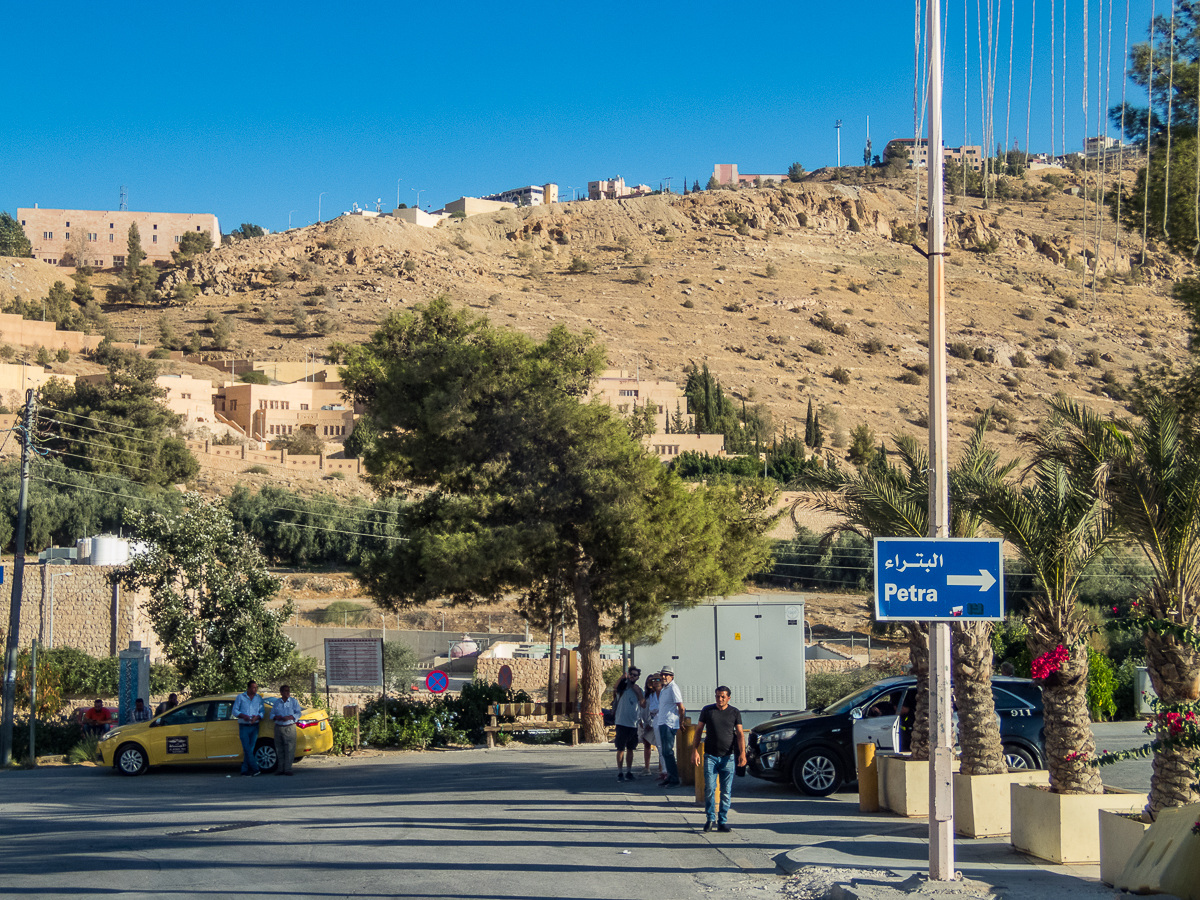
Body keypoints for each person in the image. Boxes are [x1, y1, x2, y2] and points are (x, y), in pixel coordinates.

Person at [691, 685, 746, 833]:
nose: (719, 699)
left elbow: (740, 734)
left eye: (723, 697)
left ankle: (722, 821)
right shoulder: (707, 711)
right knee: (709, 788)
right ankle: (710, 819)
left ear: (728, 697)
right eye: (717, 696)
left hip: (728, 757)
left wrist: (742, 754)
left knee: (726, 791)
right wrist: (694, 751)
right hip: (710, 756)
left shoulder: (734, 712)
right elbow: (698, 731)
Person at [654, 666, 686, 787]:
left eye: (666, 675)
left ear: (671, 676)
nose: (663, 677)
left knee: (668, 751)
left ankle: (674, 779)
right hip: (662, 722)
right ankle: (669, 776)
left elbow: (681, 707)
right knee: (664, 751)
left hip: (669, 723)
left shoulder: (673, 688)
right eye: (662, 674)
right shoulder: (664, 689)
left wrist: (681, 721)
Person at [612, 667, 644, 782]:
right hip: (621, 722)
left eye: (635, 675)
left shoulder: (638, 689)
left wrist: (638, 693)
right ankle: (620, 772)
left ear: (638, 677)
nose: (632, 677)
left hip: (633, 723)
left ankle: (629, 771)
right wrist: (622, 678)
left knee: (631, 748)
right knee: (620, 748)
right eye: (631, 674)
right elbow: (615, 689)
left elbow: (643, 704)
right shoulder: (623, 688)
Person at [232, 680, 265, 776]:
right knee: (246, 748)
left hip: (255, 726)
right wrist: (243, 716)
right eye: (253, 687)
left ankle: (244, 770)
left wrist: (257, 717)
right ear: (248, 688)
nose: (255, 689)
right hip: (244, 726)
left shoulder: (259, 698)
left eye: (256, 687)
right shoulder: (241, 697)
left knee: (250, 749)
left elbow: (262, 711)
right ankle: (255, 769)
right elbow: (235, 711)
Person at [270, 684, 302, 776]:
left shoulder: (293, 702)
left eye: (288, 690)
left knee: (289, 749)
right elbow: (271, 714)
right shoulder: (277, 702)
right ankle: (281, 769)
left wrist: (291, 717)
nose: (287, 692)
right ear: (281, 692)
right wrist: (276, 717)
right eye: (285, 690)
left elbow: (299, 713)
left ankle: (288, 768)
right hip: (279, 727)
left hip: (289, 726)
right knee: (279, 748)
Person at [639, 674, 661, 777]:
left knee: (659, 744)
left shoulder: (658, 694)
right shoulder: (645, 695)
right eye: (649, 681)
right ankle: (647, 767)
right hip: (646, 722)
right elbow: (642, 709)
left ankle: (661, 767)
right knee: (646, 744)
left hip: (655, 722)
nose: (651, 683)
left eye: (653, 680)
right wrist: (642, 722)